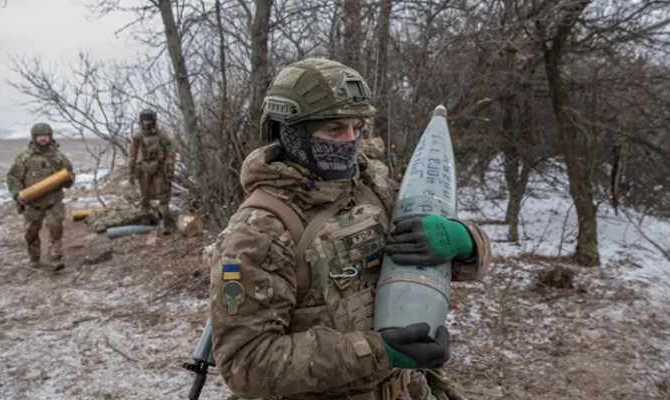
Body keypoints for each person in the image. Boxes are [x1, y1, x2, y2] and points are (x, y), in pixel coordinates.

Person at [209, 58, 491, 400]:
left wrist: (465, 243)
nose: (350, 140)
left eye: (357, 127)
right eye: (334, 129)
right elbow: (247, 365)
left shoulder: (372, 187)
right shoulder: (259, 230)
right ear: (292, 132)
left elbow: (434, 264)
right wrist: (379, 351)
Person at [6, 122, 74, 271]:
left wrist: (68, 179)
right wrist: (17, 194)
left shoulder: (58, 156)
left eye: (46, 135)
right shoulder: (25, 158)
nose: (43, 138)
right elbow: (13, 178)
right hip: (33, 203)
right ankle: (34, 258)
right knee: (31, 233)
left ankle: (55, 259)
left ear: (50, 137)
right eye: (40, 136)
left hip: (53, 201)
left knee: (56, 229)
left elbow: (70, 173)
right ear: (34, 137)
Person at [128, 108, 176, 232]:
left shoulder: (161, 135)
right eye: (144, 120)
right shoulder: (138, 136)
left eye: (149, 119)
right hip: (143, 169)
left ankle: (165, 221)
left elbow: (170, 149)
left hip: (159, 169)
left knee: (163, 195)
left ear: (153, 120)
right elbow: (132, 154)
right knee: (144, 196)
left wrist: (169, 168)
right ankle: (146, 220)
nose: (147, 122)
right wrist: (131, 172)